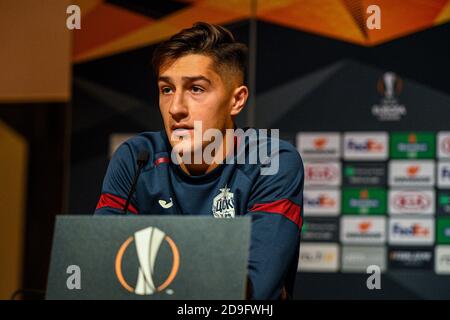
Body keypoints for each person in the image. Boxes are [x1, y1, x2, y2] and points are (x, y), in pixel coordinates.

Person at [95, 22, 304, 300]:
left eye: (196, 89)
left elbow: (252, 294)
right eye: (166, 89)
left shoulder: (271, 161)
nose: (176, 108)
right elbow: (98, 270)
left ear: (236, 100)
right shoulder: (137, 158)